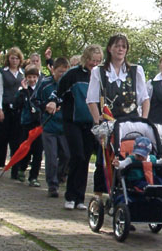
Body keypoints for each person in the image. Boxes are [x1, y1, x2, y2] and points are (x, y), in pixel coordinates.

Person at [87, 34, 150, 196]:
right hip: (108, 123)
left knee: (131, 156)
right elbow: (91, 100)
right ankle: (99, 196)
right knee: (104, 159)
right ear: (110, 49)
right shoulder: (99, 71)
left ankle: (130, 191)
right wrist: (98, 121)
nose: (120, 49)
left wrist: (144, 121)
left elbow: (144, 98)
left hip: (131, 123)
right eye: (117, 46)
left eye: (123, 46)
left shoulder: (136, 71)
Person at [54, 45, 103, 210]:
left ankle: (80, 198)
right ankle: (70, 196)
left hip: (91, 123)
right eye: (92, 60)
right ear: (85, 58)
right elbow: (58, 93)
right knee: (77, 156)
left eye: (97, 61)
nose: (94, 64)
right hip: (72, 121)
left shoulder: (100, 76)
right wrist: (53, 102)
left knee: (86, 159)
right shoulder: (73, 74)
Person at [35, 57, 70, 198]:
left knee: (67, 155)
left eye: (65, 72)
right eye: (60, 72)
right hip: (49, 126)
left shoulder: (69, 85)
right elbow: (34, 100)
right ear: (53, 70)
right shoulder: (45, 84)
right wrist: (46, 107)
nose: (62, 75)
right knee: (51, 157)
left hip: (64, 126)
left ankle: (60, 176)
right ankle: (52, 185)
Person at [0, 47, 25, 175]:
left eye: (17, 58)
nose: (14, 61)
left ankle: (15, 169)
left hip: (18, 110)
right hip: (5, 107)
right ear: (8, 59)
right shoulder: (1, 73)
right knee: (1, 138)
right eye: (12, 58)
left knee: (16, 140)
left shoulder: (22, 74)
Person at [12, 66, 43, 186]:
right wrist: (24, 91)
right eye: (29, 77)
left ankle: (33, 176)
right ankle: (22, 168)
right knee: (27, 149)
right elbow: (17, 104)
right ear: (26, 78)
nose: (32, 79)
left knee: (38, 152)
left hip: (39, 124)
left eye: (34, 77)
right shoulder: (22, 91)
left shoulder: (40, 90)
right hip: (27, 124)